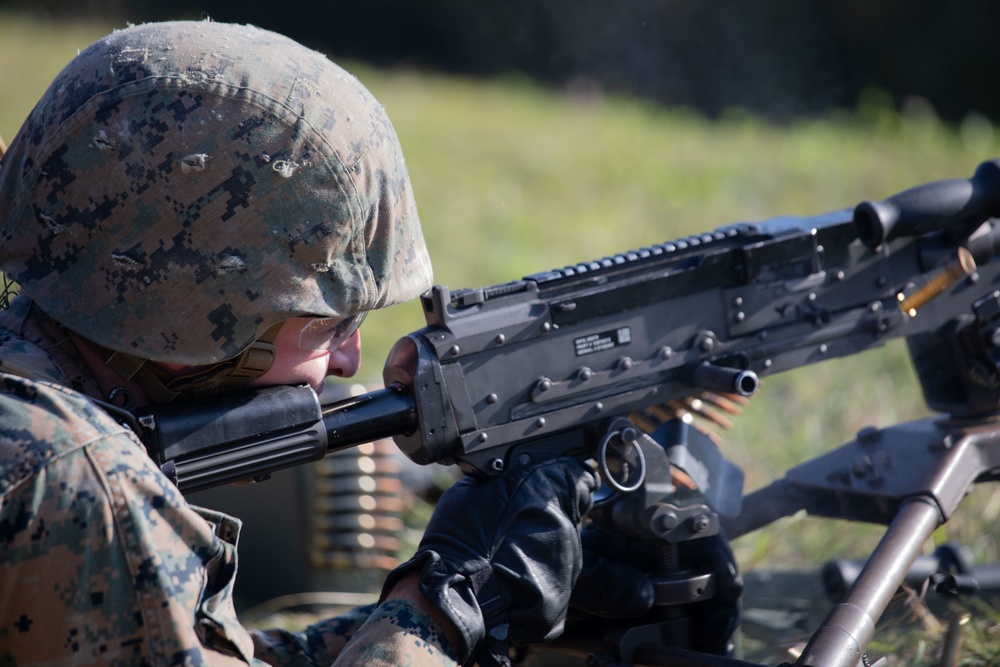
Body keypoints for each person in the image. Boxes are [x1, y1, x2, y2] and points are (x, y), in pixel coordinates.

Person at [0, 20, 599, 666]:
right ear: (198, 314)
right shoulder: (74, 480)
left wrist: (431, 610)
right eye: (327, 322)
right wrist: (449, 604)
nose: (349, 360)